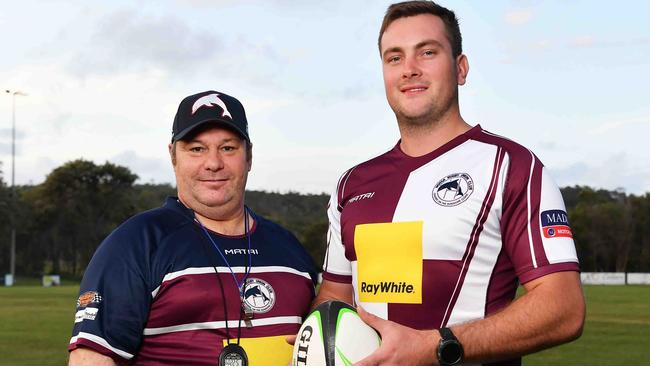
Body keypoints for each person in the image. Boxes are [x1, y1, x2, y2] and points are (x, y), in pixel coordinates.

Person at [315, 2, 585, 365]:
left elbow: (564, 308)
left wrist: (436, 347)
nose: (409, 69)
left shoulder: (512, 166)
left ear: (460, 68)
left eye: (427, 52)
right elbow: (334, 300)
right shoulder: (352, 184)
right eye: (394, 58)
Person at [68, 90, 318, 365]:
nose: (213, 163)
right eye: (197, 149)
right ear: (173, 156)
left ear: (249, 157)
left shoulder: (290, 250)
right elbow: (90, 358)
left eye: (228, 148)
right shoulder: (136, 243)